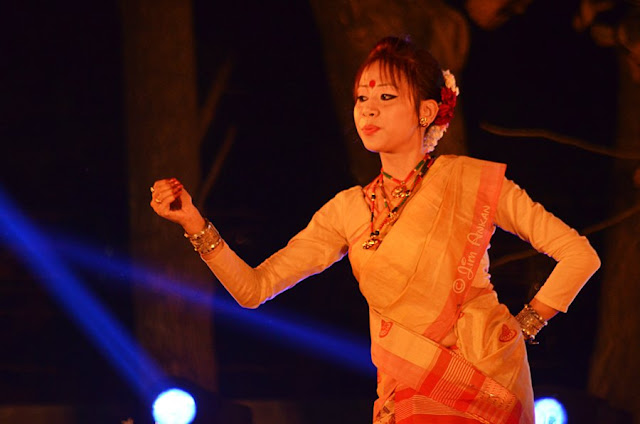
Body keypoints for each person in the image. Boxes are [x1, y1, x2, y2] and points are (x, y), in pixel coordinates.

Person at [150, 36, 600, 424]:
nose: (368, 110)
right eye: (362, 98)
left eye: (386, 97)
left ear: (426, 110)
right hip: (404, 392)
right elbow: (254, 288)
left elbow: (580, 255)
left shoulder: (469, 181)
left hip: (482, 381)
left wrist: (523, 326)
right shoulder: (347, 210)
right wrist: (194, 222)